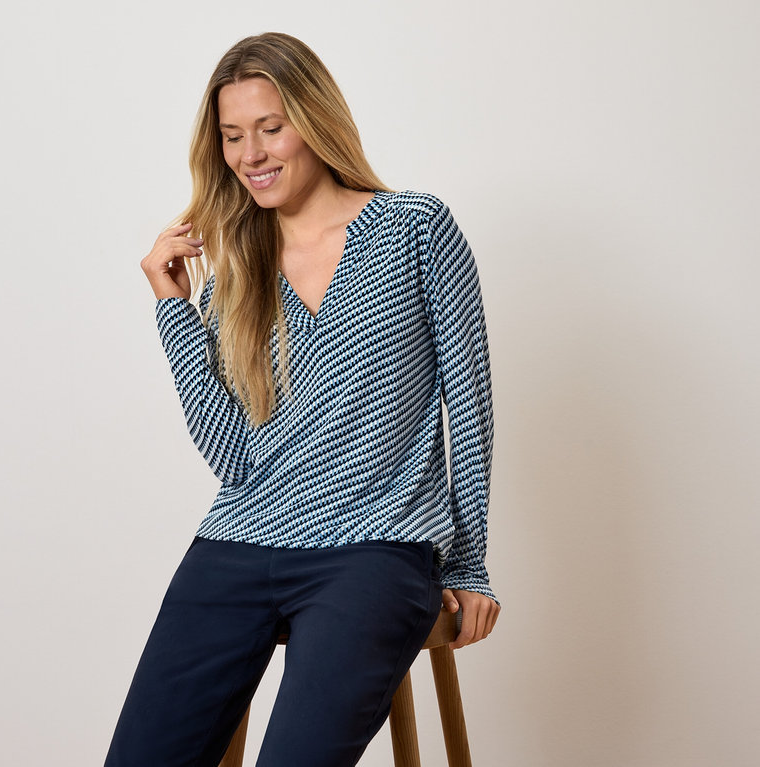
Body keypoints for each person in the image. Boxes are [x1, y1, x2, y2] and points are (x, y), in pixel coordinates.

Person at [105, 31, 500, 767]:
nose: (250, 154)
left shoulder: (415, 229)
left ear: (315, 121)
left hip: (376, 548)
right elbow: (235, 457)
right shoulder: (235, 275)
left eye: (270, 128)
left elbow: (468, 403)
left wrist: (469, 562)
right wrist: (175, 309)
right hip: (239, 542)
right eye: (231, 136)